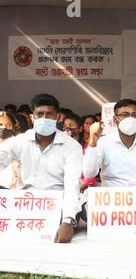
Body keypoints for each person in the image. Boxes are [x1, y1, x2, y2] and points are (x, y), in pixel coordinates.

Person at [0, 94, 83, 243]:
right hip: (24, 202)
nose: (44, 118)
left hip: (56, 206)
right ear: (32, 117)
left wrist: (68, 220)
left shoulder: (72, 146)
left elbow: (72, 184)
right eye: (40, 114)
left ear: (57, 118)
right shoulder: (21, 141)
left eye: (49, 114)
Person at [82, 99, 136, 215]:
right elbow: (89, 173)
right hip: (110, 201)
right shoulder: (103, 142)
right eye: (125, 115)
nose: (131, 119)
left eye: (134, 115)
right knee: (85, 210)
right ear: (114, 119)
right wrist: (93, 141)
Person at [0, 110, 20, 189]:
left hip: (9, 187)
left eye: (8, 125)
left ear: (13, 127)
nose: (3, 127)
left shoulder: (18, 143)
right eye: (0, 124)